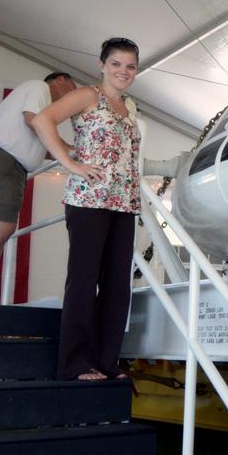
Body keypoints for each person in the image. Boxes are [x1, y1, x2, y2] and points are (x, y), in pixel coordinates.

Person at [31, 38, 142, 381]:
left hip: (124, 202)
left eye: (130, 66)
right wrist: (69, 161)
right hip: (89, 199)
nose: (123, 71)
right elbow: (41, 121)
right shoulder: (87, 96)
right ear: (102, 65)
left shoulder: (130, 106)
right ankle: (75, 364)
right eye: (116, 64)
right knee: (84, 280)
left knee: (117, 285)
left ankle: (106, 361)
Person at [0, 71, 76, 303]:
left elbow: (45, 143)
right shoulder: (39, 88)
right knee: (1, 228)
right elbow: (33, 120)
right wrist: (70, 150)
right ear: (61, 81)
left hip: (1, 162)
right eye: (72, 89)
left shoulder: (40, 102)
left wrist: (72, 153)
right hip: (3, 161)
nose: (72, 98)